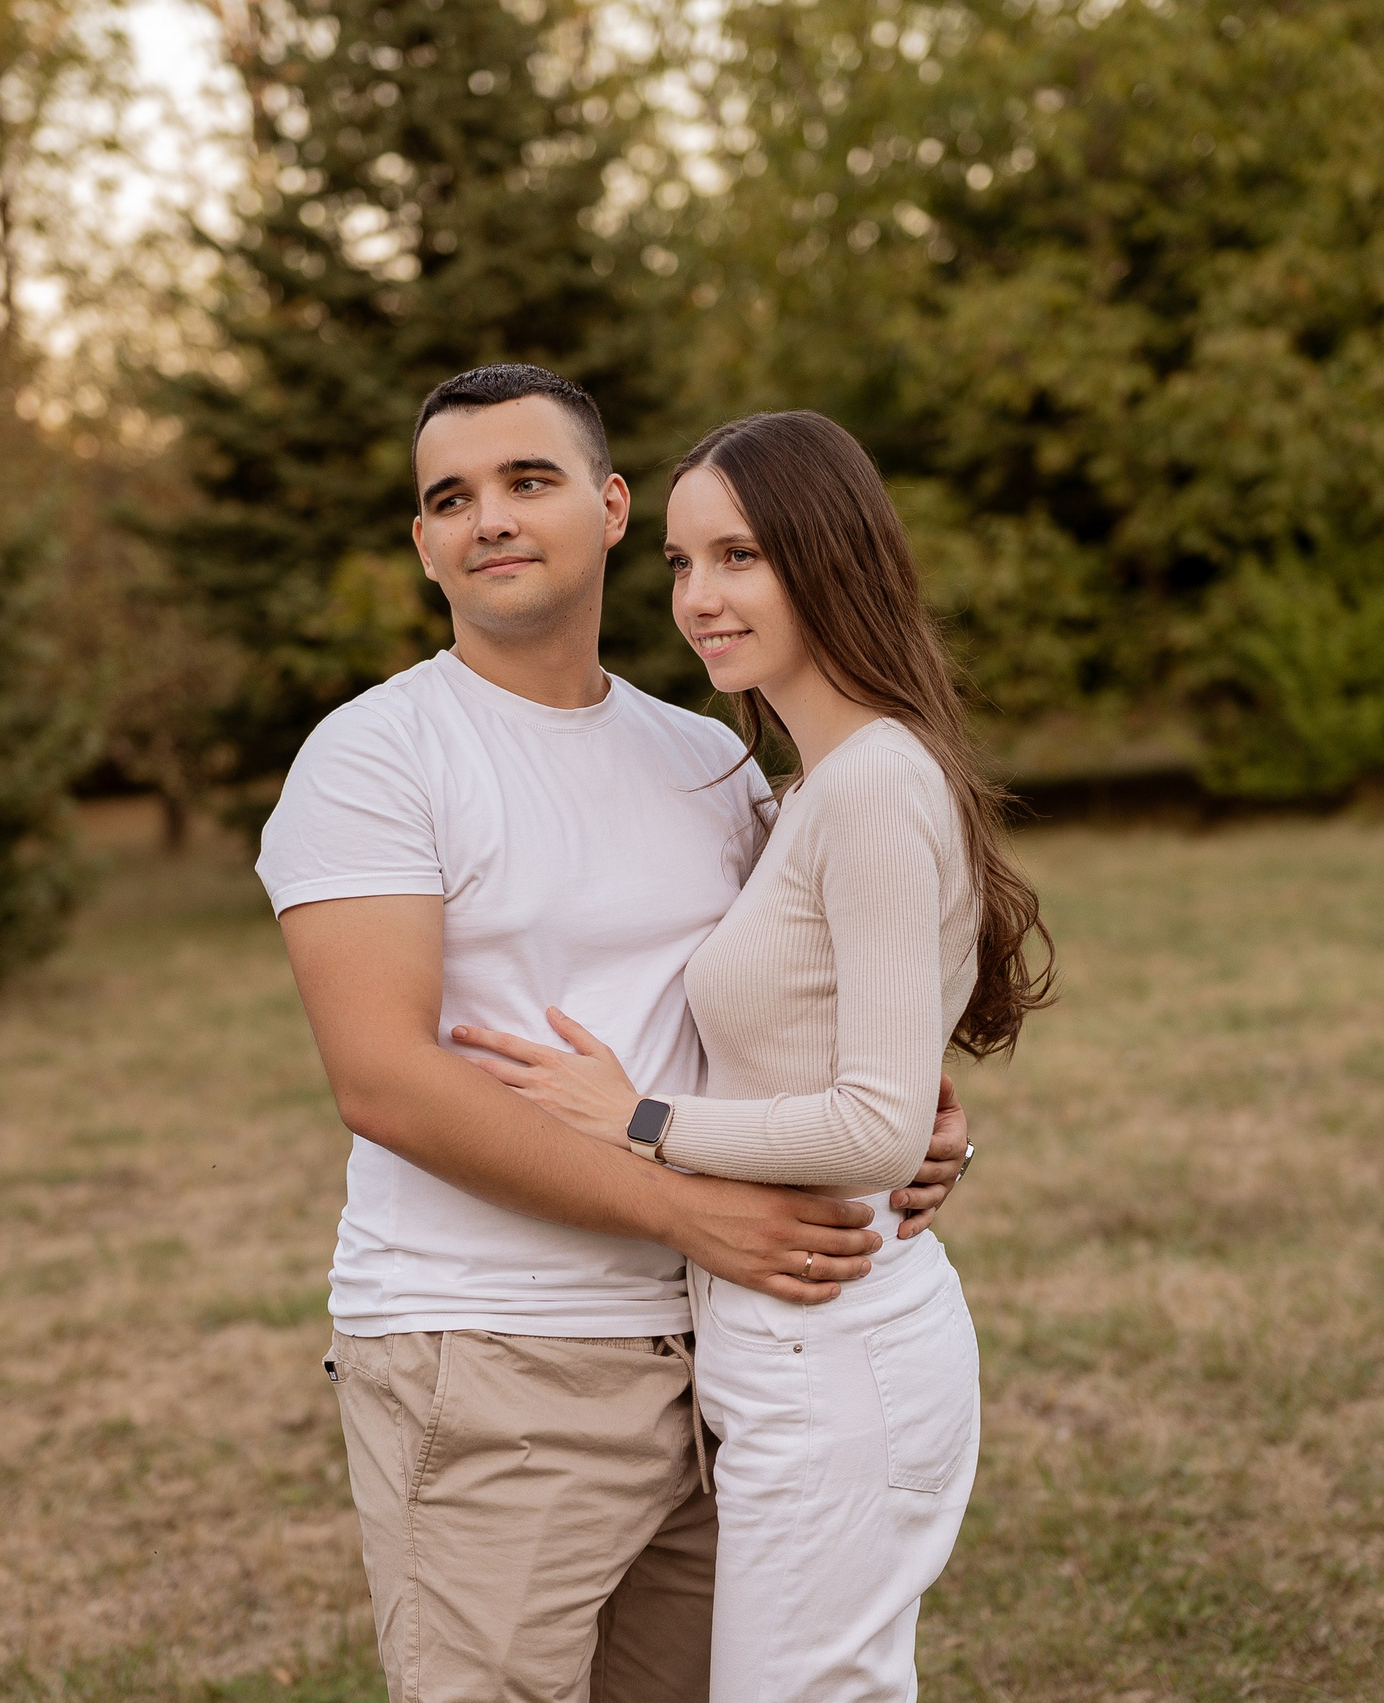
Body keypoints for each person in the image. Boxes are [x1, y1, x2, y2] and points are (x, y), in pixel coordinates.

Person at [253, 365, 975, 1703]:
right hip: (489, 1356)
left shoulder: (708, 760)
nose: (491, 520)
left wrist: (926, 1126)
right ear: (422, 544)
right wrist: (686, 1208)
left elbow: (803, 999)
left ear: (610, 505)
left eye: (528, 481)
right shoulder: (375, 758)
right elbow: (387, 1085)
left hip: (721, 1351)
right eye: (449, 499)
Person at [456, 410, 1055, 1701]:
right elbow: (883, 1085)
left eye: (740, 557)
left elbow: (879, 1128)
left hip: (837, 1345)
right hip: (789, 1343)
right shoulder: (803, 787)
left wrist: (641, 1117)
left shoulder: (876, 786)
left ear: (828, 558)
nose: (700, 599)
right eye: (679, 564)